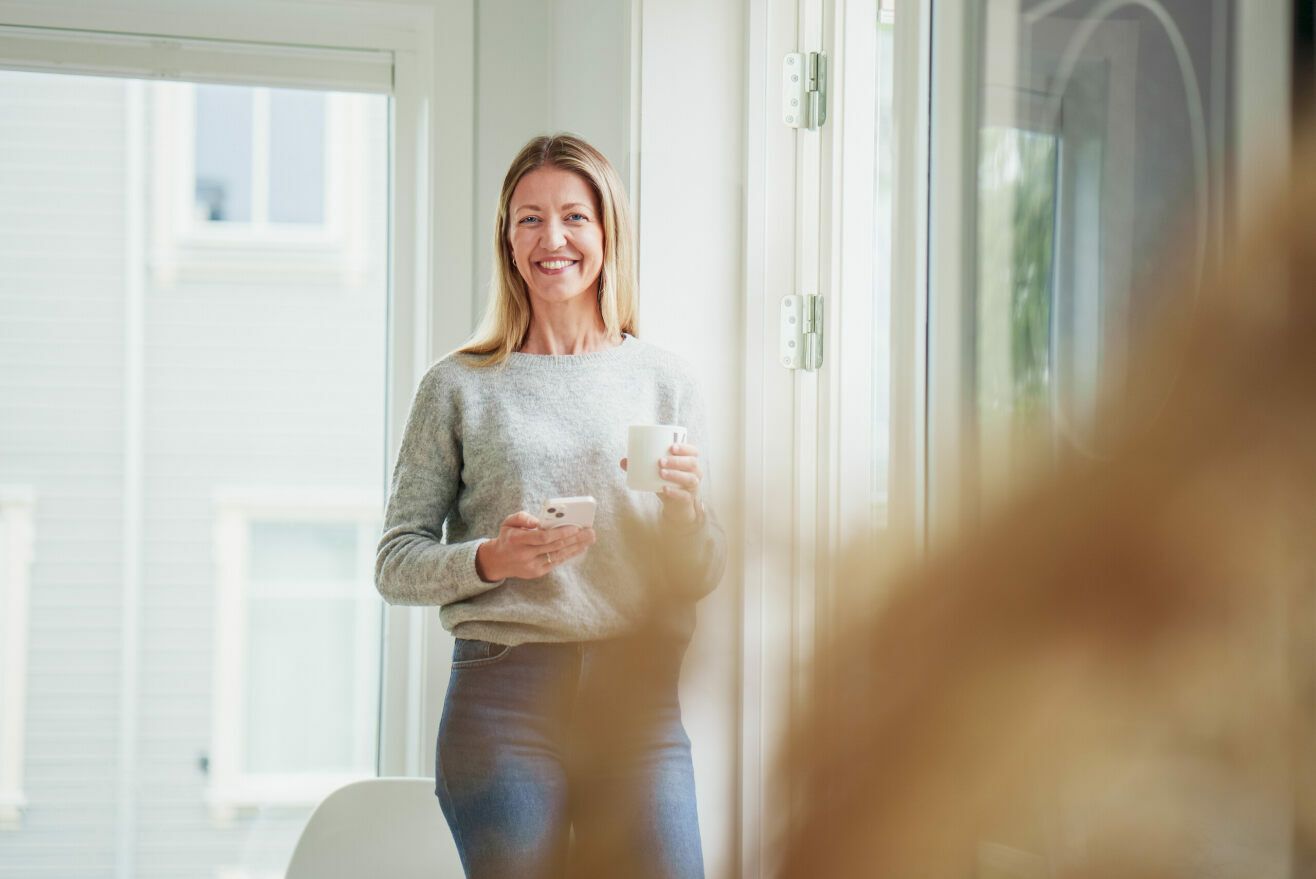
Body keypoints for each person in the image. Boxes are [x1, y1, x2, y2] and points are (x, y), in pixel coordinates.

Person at [375, 133, 725, 879]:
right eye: (530, 219)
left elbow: (701, 572)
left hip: (639, 703)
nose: (552, 239)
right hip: (503, 700)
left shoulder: (664, 381)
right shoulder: (458, 386)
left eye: (574, 217)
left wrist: (686, 516)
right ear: (507, 240)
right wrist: (491, 558)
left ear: (607, 232)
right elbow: (395, 562)